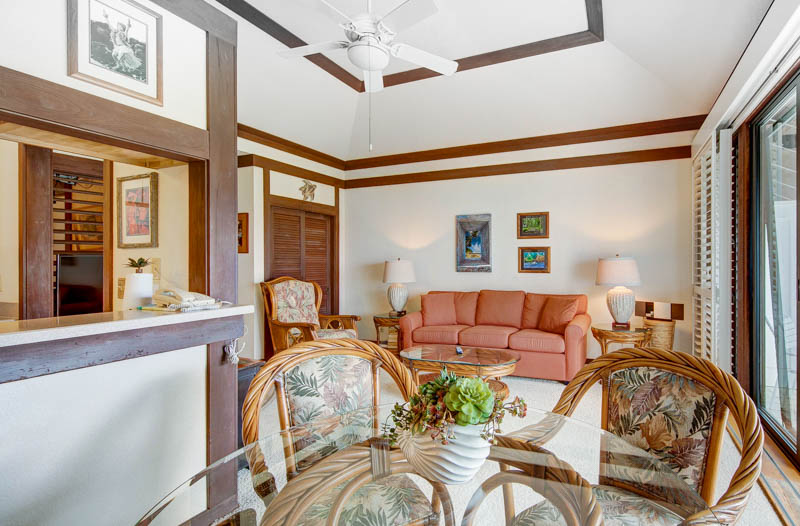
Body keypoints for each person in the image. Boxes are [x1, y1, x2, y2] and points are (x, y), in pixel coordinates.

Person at [103, 10, 142, 74]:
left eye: (120, 26)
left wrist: (128, 25)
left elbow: (126, 30)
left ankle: (124, 68)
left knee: (120, 57)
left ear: (122, 27)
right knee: (114, 55)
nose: (118, 27)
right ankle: (120, 65)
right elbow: (110, 26)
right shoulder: (116, 32)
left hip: (123, 47)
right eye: (118, 26)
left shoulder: (123, 33)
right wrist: (106, 18)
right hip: (118, 47)